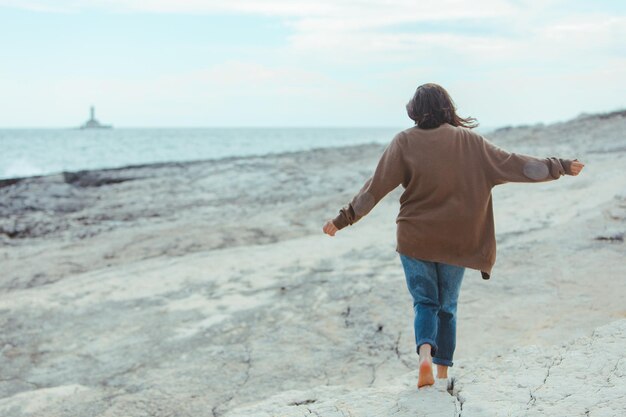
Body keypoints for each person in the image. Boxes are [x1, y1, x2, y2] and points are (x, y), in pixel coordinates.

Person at [322, 83, 585, 389]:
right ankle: (443, 373)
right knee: (447, 306)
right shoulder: (471, 142)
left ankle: (424, 355)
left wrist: (343, 220)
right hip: (457, 241)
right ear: (448, 107)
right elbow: (517, 165)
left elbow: (374, 188)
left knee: (424, 302)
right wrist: (561, 166)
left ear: (414, 110)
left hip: (415, 238)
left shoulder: (404, 141)